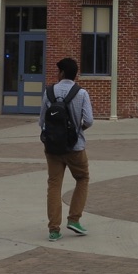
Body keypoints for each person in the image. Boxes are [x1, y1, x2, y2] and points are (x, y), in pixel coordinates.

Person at [40, 57, 94, 242]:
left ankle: (54, 229)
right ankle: (74, 219)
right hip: (75, 147)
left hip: (52, 147)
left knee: (54, 184)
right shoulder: (81, 93)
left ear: (61, 73)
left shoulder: (48, 92)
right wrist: (77, 131)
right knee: (82, 178)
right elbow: (88, 120)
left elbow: (41, 122)